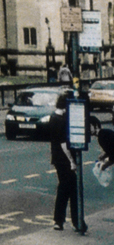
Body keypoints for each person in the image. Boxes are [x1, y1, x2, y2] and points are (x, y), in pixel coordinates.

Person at [49, 94, 87, 232]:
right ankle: (75, 221)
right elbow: (63, 143)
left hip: (57, 159)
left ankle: (60, 220)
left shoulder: (53, 118)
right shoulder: (61, 120)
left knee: (64, 188)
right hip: (65, 160)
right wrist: (72, 161)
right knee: (72, 189)